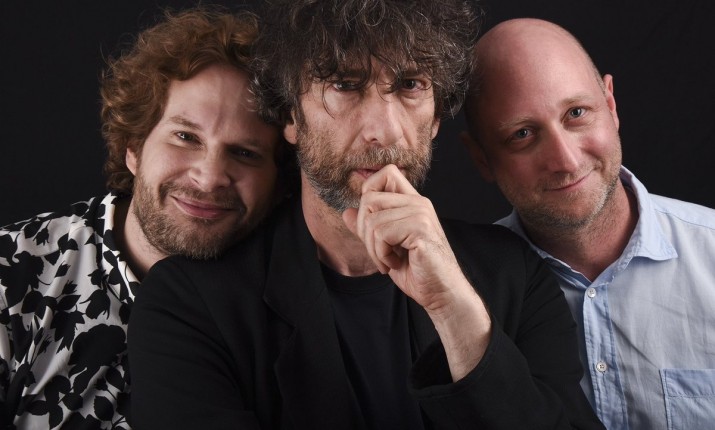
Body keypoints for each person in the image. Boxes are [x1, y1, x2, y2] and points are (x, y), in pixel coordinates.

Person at [128, 1, 605, 429]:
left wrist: (455, 310)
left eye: (410, 85)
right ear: (291, 116)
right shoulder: (189, 305)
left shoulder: (514, 274)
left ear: (436, 117)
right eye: (344, 85)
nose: (383, 130)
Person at [0, 8, 285, 429]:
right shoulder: (12, 272)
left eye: (245, 153)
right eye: (185, 137)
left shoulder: (293, 307)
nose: (210, 177)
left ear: (278, 182)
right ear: (133, 146)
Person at [461, 17, 715, 430]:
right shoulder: (462, 295)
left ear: (611, 106)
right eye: (523, 134)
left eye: (576, 113)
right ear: (481, 159)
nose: (565, 160)